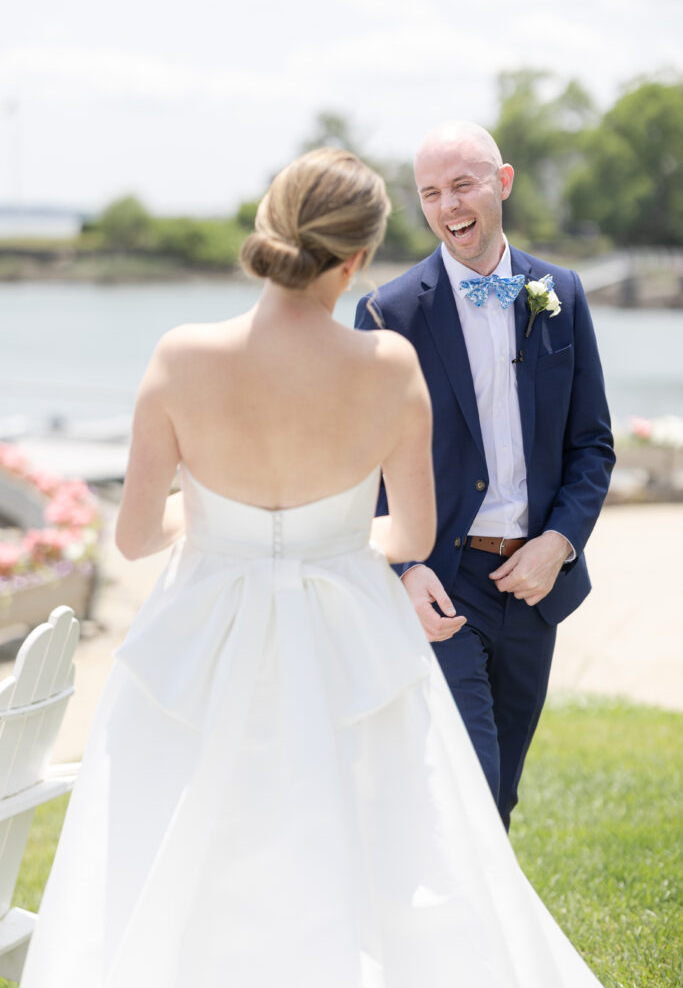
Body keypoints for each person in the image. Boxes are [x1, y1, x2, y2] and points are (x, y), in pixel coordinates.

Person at [22, 148, 604, 987]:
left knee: (181, 834)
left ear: (269, 230)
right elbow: (409, 532)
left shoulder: (182, 354)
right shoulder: (386, 366)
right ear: (360, 257)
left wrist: (229, 522)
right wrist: (319, 536)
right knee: (379, 839)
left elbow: (138, 537)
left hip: (201, 634)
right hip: (344, 631)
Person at [356, 121, 615, 831]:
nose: (447, 205)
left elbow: (591, 444)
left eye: (461, 185)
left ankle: (465, 936)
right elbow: (365, 465)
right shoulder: (388, 312)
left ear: (500, 183)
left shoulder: (557, 291)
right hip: (443, 581)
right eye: (430, 193)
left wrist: (557, 543)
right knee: (468, 780)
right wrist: (404, 567)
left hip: (534, 585)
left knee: (497, 792)